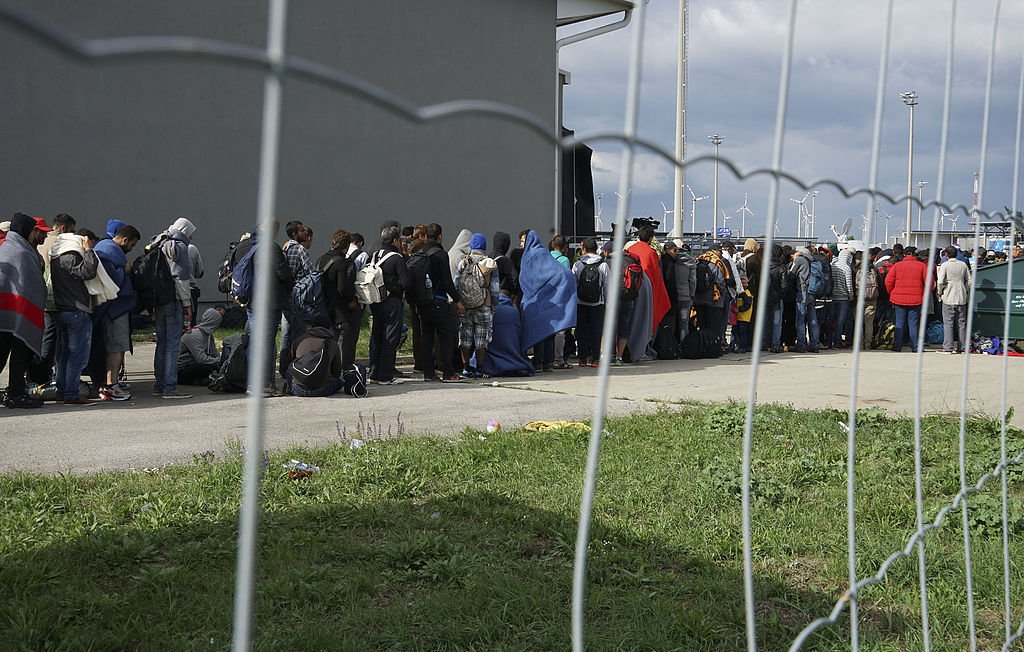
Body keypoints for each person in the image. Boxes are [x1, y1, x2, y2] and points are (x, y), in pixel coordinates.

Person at [230, 220, 293, 394]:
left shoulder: (245, 245)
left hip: (250, 301)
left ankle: (251, 381)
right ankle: (264, 384)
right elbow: (284, 274)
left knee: (254, 341)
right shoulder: (271, 248)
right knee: (266, 342)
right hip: (269, 302)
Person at [0, 213, 49, 408]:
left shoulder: (7, 248)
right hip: (19, 314)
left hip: (6, 313)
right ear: (26, 231)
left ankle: (14, 392)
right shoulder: (22, 252)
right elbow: (32, 286)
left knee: (2, 354)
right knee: (21, 356)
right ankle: (15, 393)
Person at [50, 226, 100, 405]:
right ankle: (71, 393)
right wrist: (89, 250)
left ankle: (62, 390)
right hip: (76, 310)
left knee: (64, 354)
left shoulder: (56, 255)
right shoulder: (70, 256)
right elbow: (88, 272)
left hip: (62, 309)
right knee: (77, 355)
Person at [150, 217, 197, 399]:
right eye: (190, 234)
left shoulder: (159, 242)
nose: (191, 238)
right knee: (172, 346)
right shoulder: (179, 247)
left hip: (158, 300)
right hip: (174, 300)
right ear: (184, 231)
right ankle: (170, 388)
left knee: (161, 344)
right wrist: (187, 304)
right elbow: (181, 279)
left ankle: (159, 385)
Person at [93, 223, 140, 400]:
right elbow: (109, 278)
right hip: (114, 308)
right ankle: (111, 385)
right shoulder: (109, 250)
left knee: (114, 347)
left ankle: (110, 383)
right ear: (125, 240)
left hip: (111, 307)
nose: (131, 249)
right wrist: (125, 270)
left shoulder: (104, 248)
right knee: (117, 347)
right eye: (132, 245)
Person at [519, 230, 576, 371]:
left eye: (523, 241)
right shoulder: (544, 253)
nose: (521, 244)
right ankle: (548, 363)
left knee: (538, 331)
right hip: (550, 298)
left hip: (536, 299)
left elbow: (526, 278)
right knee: (549, 332)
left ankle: (538, 362)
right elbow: (558, 272)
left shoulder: (530, 256)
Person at [416, 223, 464, 382]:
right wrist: (457, 300)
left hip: (422, 302)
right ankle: (448, 372)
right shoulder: (441, 254)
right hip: (439, 301)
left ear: (425, 236)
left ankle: (428, 373)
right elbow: (447, 282)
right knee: (446, 336)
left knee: (427, 337)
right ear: (440, 236)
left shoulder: (420, 253)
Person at [366, 225, 409, 385]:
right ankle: (386, 375)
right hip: (392, 302)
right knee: (390, 337)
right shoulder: (396, 258)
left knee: (376, 336)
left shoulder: (373, 256)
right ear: (395, 240)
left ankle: (374, 372)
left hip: (375, 300)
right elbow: (405, 282)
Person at [455, 233, 499, 377]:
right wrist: (494, 306)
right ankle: (479, 369)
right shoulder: (490, 264)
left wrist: (458, 302)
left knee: (465, 338)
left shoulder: (463, 262)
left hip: (466, 305)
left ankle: (466, 368)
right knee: (481, 339)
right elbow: (494, 288)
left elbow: (456, 284)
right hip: (484, 304)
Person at [626, 227, 671, 360]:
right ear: (651, 238)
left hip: (629, 289)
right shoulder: (651, 253)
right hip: (645, 291)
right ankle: (642, 350)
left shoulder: (630, 249)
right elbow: (655, 275)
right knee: (645, 322)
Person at [316, 229, 360, 367]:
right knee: (341, 343)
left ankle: (324, 369)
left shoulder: (321, 259)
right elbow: (343, 289)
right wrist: (351, 300)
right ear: (346, 246)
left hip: (322, 306)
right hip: (338, 310)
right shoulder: (342, 262)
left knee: (325, 342)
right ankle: (339, 370)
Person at [885, 245, 932, 353]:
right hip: (916, 299)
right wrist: (925, 294)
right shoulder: (922, 266)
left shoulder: (897, 266)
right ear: (913, 254)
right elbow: (930, 282)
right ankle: (915, 346)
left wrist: (892, 293)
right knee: (913, 323)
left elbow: (888, 282)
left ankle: (897, 346)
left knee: (899, 323)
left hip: (898, 298)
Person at [281, 223, 314, 370]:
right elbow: (310, 272)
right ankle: (297, 366)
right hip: (298, 297)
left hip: (284, 295)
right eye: (301, 231)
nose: (305, 233)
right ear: (294, 234)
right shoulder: (300, 249)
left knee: (286, 333)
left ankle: (283, 366)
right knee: (299, 332)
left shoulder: (285, 248)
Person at [572, 237, 608, 367]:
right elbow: (607, 285)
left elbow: (573, 284)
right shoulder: (603, 265)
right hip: (598, 303)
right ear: (596, 248)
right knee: (596, 331)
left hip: (580, 302)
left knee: (581, 330)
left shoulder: (578, 264)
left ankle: (582, 359)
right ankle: (595, 359)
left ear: (583, 249)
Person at [286, 320, 346, 396]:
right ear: (329, 329)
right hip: (321, 390)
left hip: (298, 388)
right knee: (339, 382)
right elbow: (336, 373)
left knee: (289, 371)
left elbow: (289, 364)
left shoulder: (299, 340)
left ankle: (291, 388)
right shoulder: (333, 344)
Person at [662, 239, 698, 349]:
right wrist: (692, 294)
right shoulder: (690, 262)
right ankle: (683, 346)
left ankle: (671, 346)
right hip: (685, 295)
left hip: (671, 295)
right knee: (684, 323)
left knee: (671, 322)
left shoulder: (669, 261)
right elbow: (693, 280)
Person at [178, 306, 226, 384]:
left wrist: (222, 361)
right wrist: (219, 361)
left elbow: (214, 353)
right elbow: (201, 359)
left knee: (217, 366)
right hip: (182, 369)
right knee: (205, 368)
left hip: (193, 365)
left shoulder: (208, 336)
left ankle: (205, 379)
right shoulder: (194, 335)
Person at [937, 245, 971, 354]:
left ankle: (948, 347)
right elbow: (969, 281)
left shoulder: (945, 265)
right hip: (961, 295)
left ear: (946, 255)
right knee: (962, 323)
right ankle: (963, 347)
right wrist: (965, 290)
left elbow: (940, 281)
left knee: (948, 323)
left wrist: (940, 292)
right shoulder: (963, 264)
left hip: (948, 295)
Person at [791, 246, 819, 353]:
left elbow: (791, 274)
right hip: (812, 291)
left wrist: (795, 259)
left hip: (802, 290)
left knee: (800, 319)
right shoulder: (813, 260)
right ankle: (814, 345)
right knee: (813, 319)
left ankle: (801, 345)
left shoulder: (799, 260)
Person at [830, 244, 855, 348]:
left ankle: (829, 341)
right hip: (843, 298)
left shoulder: (833, 265)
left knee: (832, 320)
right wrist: (851, 296)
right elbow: (849, 285)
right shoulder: (847, 268)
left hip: (832, 297)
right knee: (840, 322)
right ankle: (837, 342)